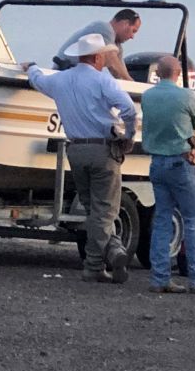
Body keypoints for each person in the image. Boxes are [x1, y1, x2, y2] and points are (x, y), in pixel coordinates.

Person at [24, 34, 138, 283]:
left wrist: (31, 67)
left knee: (92, 209)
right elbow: (129, 109)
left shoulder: (60, 80)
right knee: (105, 210)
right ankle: (94, 264)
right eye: (105, 55)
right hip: (103, 149)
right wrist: (129, 136)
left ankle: (115, 250)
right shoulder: (102, 80)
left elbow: (38, 80)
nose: (106, 59)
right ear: (97, 57)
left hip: (75, 150)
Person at [141, 54, 195, 294]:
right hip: (181, 162)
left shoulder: (147, 96)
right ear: (177, 74)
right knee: (193, 219)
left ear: (157, 73)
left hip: (157, 163)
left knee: (162, 219)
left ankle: (160, 278)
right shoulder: (184, 96)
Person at [53, 9, 142, 80]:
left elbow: (119, 73)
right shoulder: (104, 28)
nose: (132, 36)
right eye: (133, 31)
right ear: (125, 24)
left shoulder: (116, 45)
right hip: (64, 73)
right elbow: (113, 62)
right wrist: (132, 84)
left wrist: (128, 82)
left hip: (77, 77)